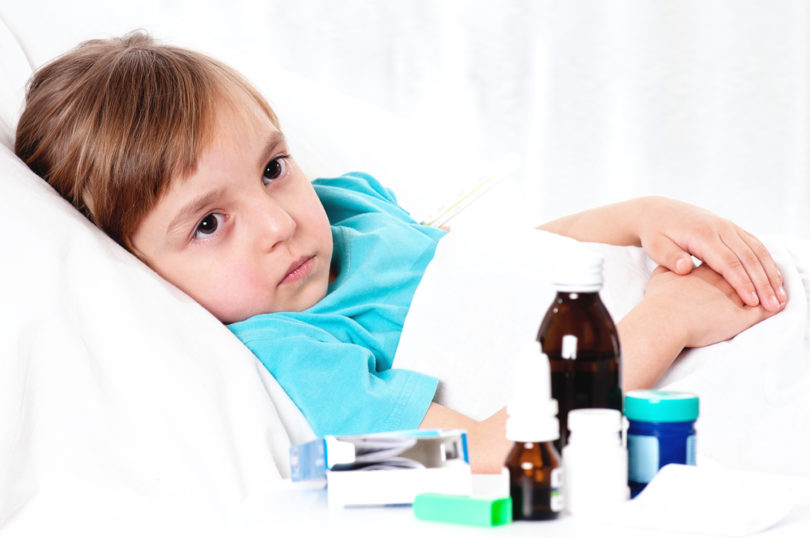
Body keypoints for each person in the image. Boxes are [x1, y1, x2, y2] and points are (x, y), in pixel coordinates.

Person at [14, 32, 786, 473]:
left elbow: (504, 262)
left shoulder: (347, 208)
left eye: (273, 170)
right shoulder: (292, 351)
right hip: (654, 381)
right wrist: (672, 318)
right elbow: (488, 451)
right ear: (142, 274)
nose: (278, 223)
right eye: (209, 224)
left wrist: (642, 216)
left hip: (685, 310)